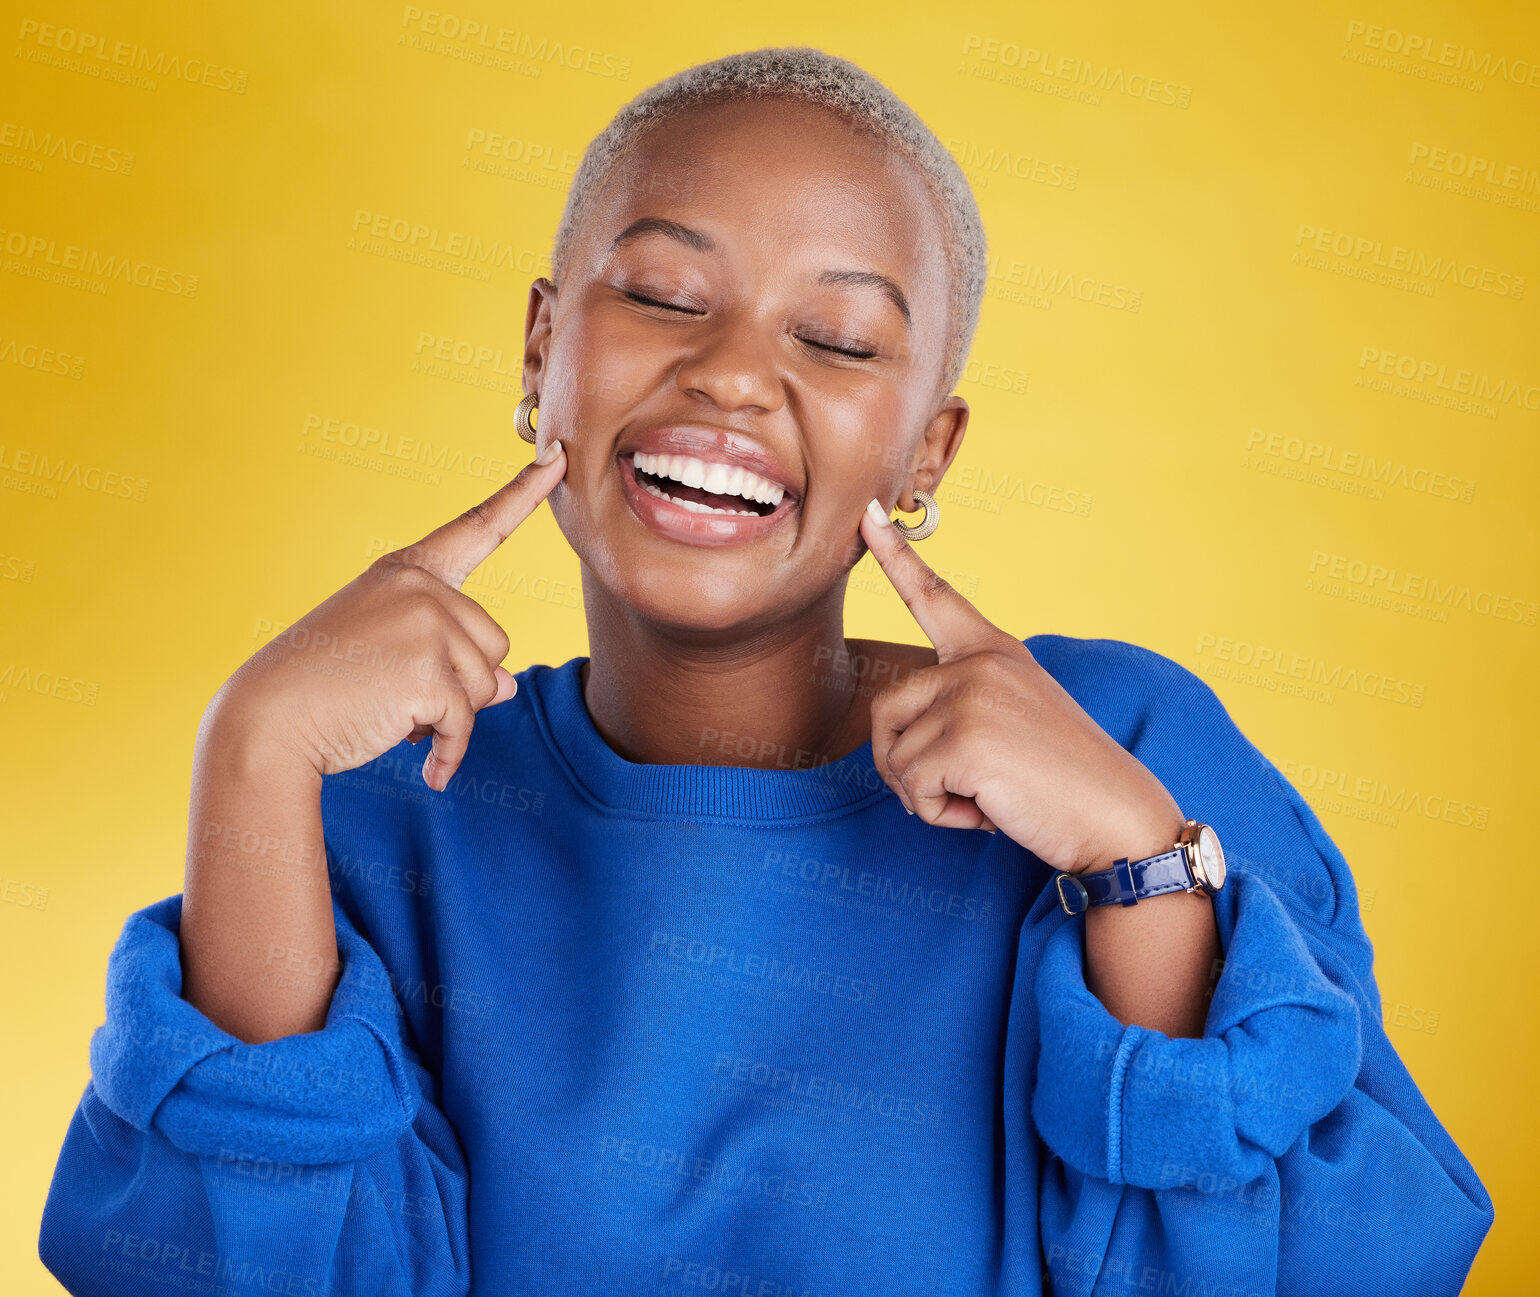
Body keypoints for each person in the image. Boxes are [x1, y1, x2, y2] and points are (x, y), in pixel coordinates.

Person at [39, 46, 1491, 1297]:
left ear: (928, 450)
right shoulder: (369, 805)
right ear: (545, 345)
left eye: (839, 337)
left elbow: (1338, 1264)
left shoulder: (1124, 748)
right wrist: (249, 746)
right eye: (667, 295)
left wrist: (1131, 865)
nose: (733, 375)